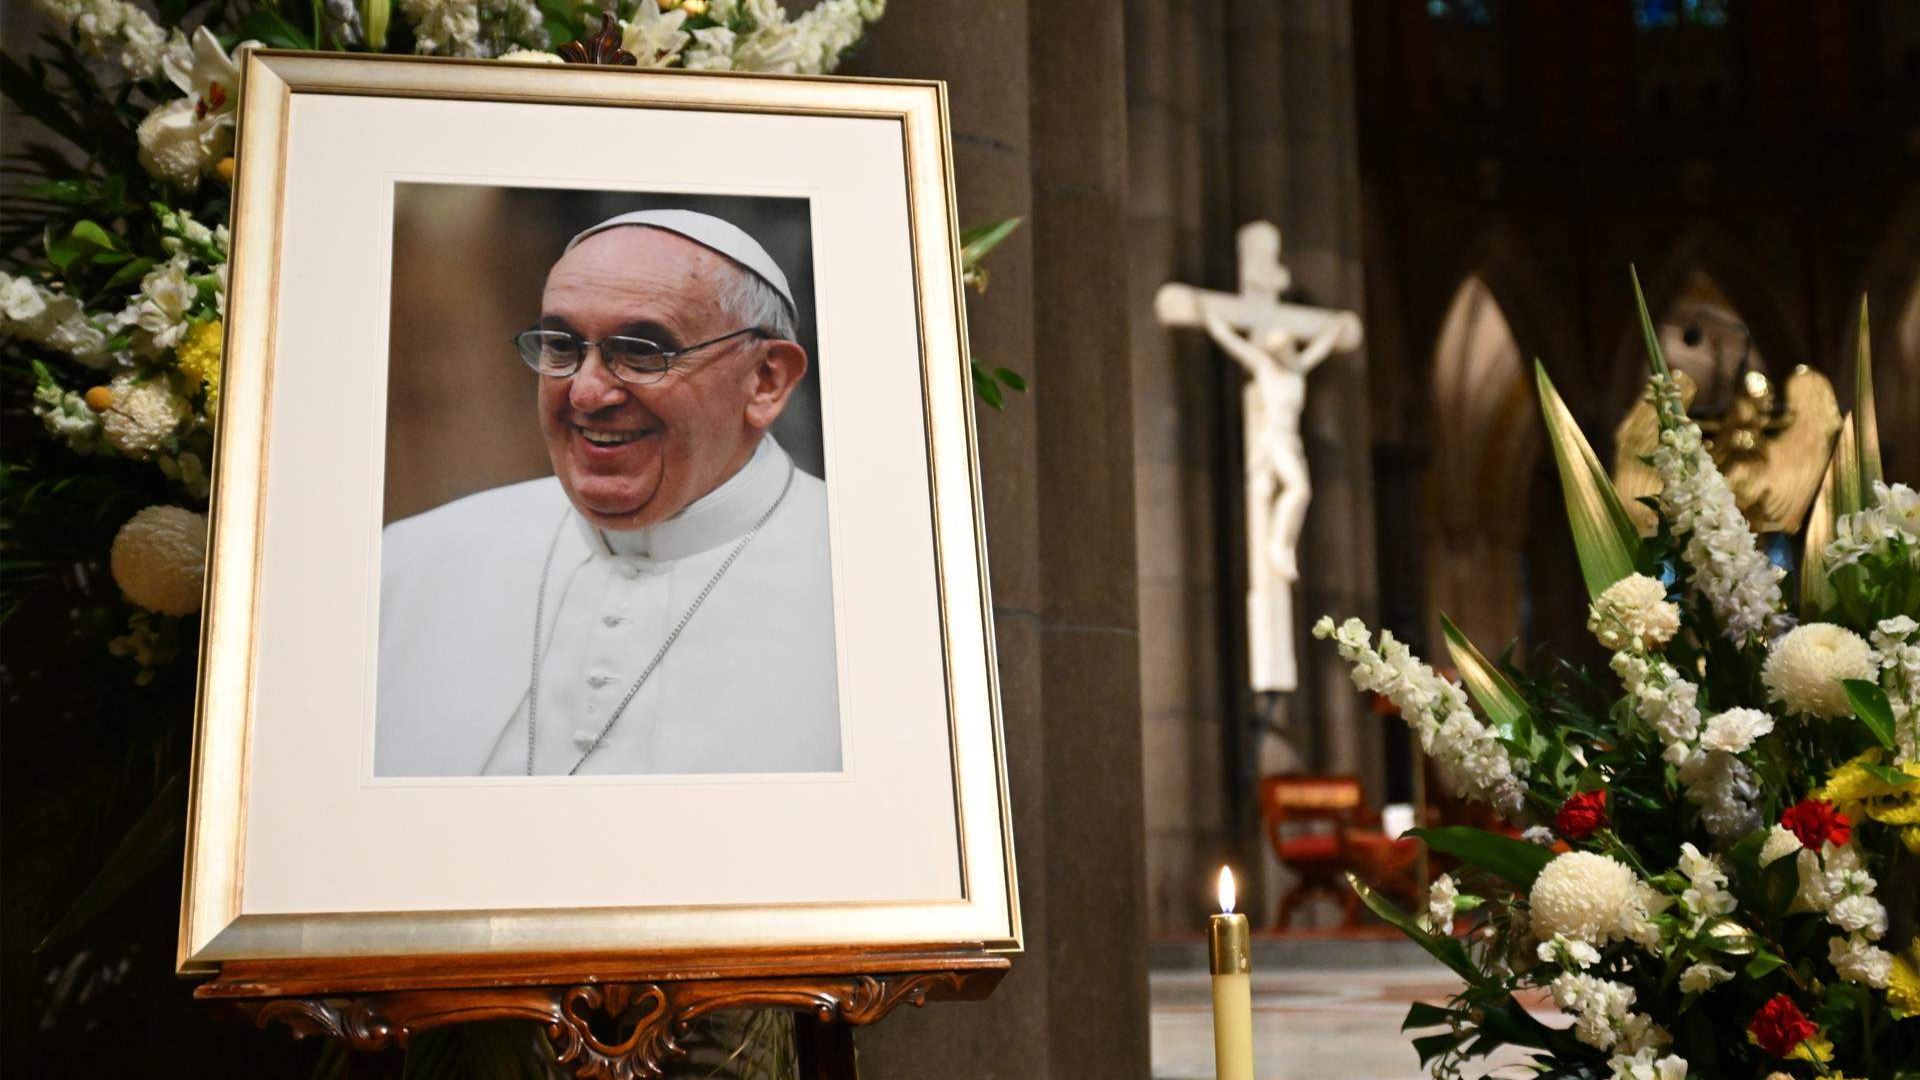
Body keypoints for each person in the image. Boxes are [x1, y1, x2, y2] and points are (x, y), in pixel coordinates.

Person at [374, 210, 841, 777]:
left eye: (644, 350)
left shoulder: (870, 589)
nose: (588, 392)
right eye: (561, 345)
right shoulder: (407, 565)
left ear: (766, 379)